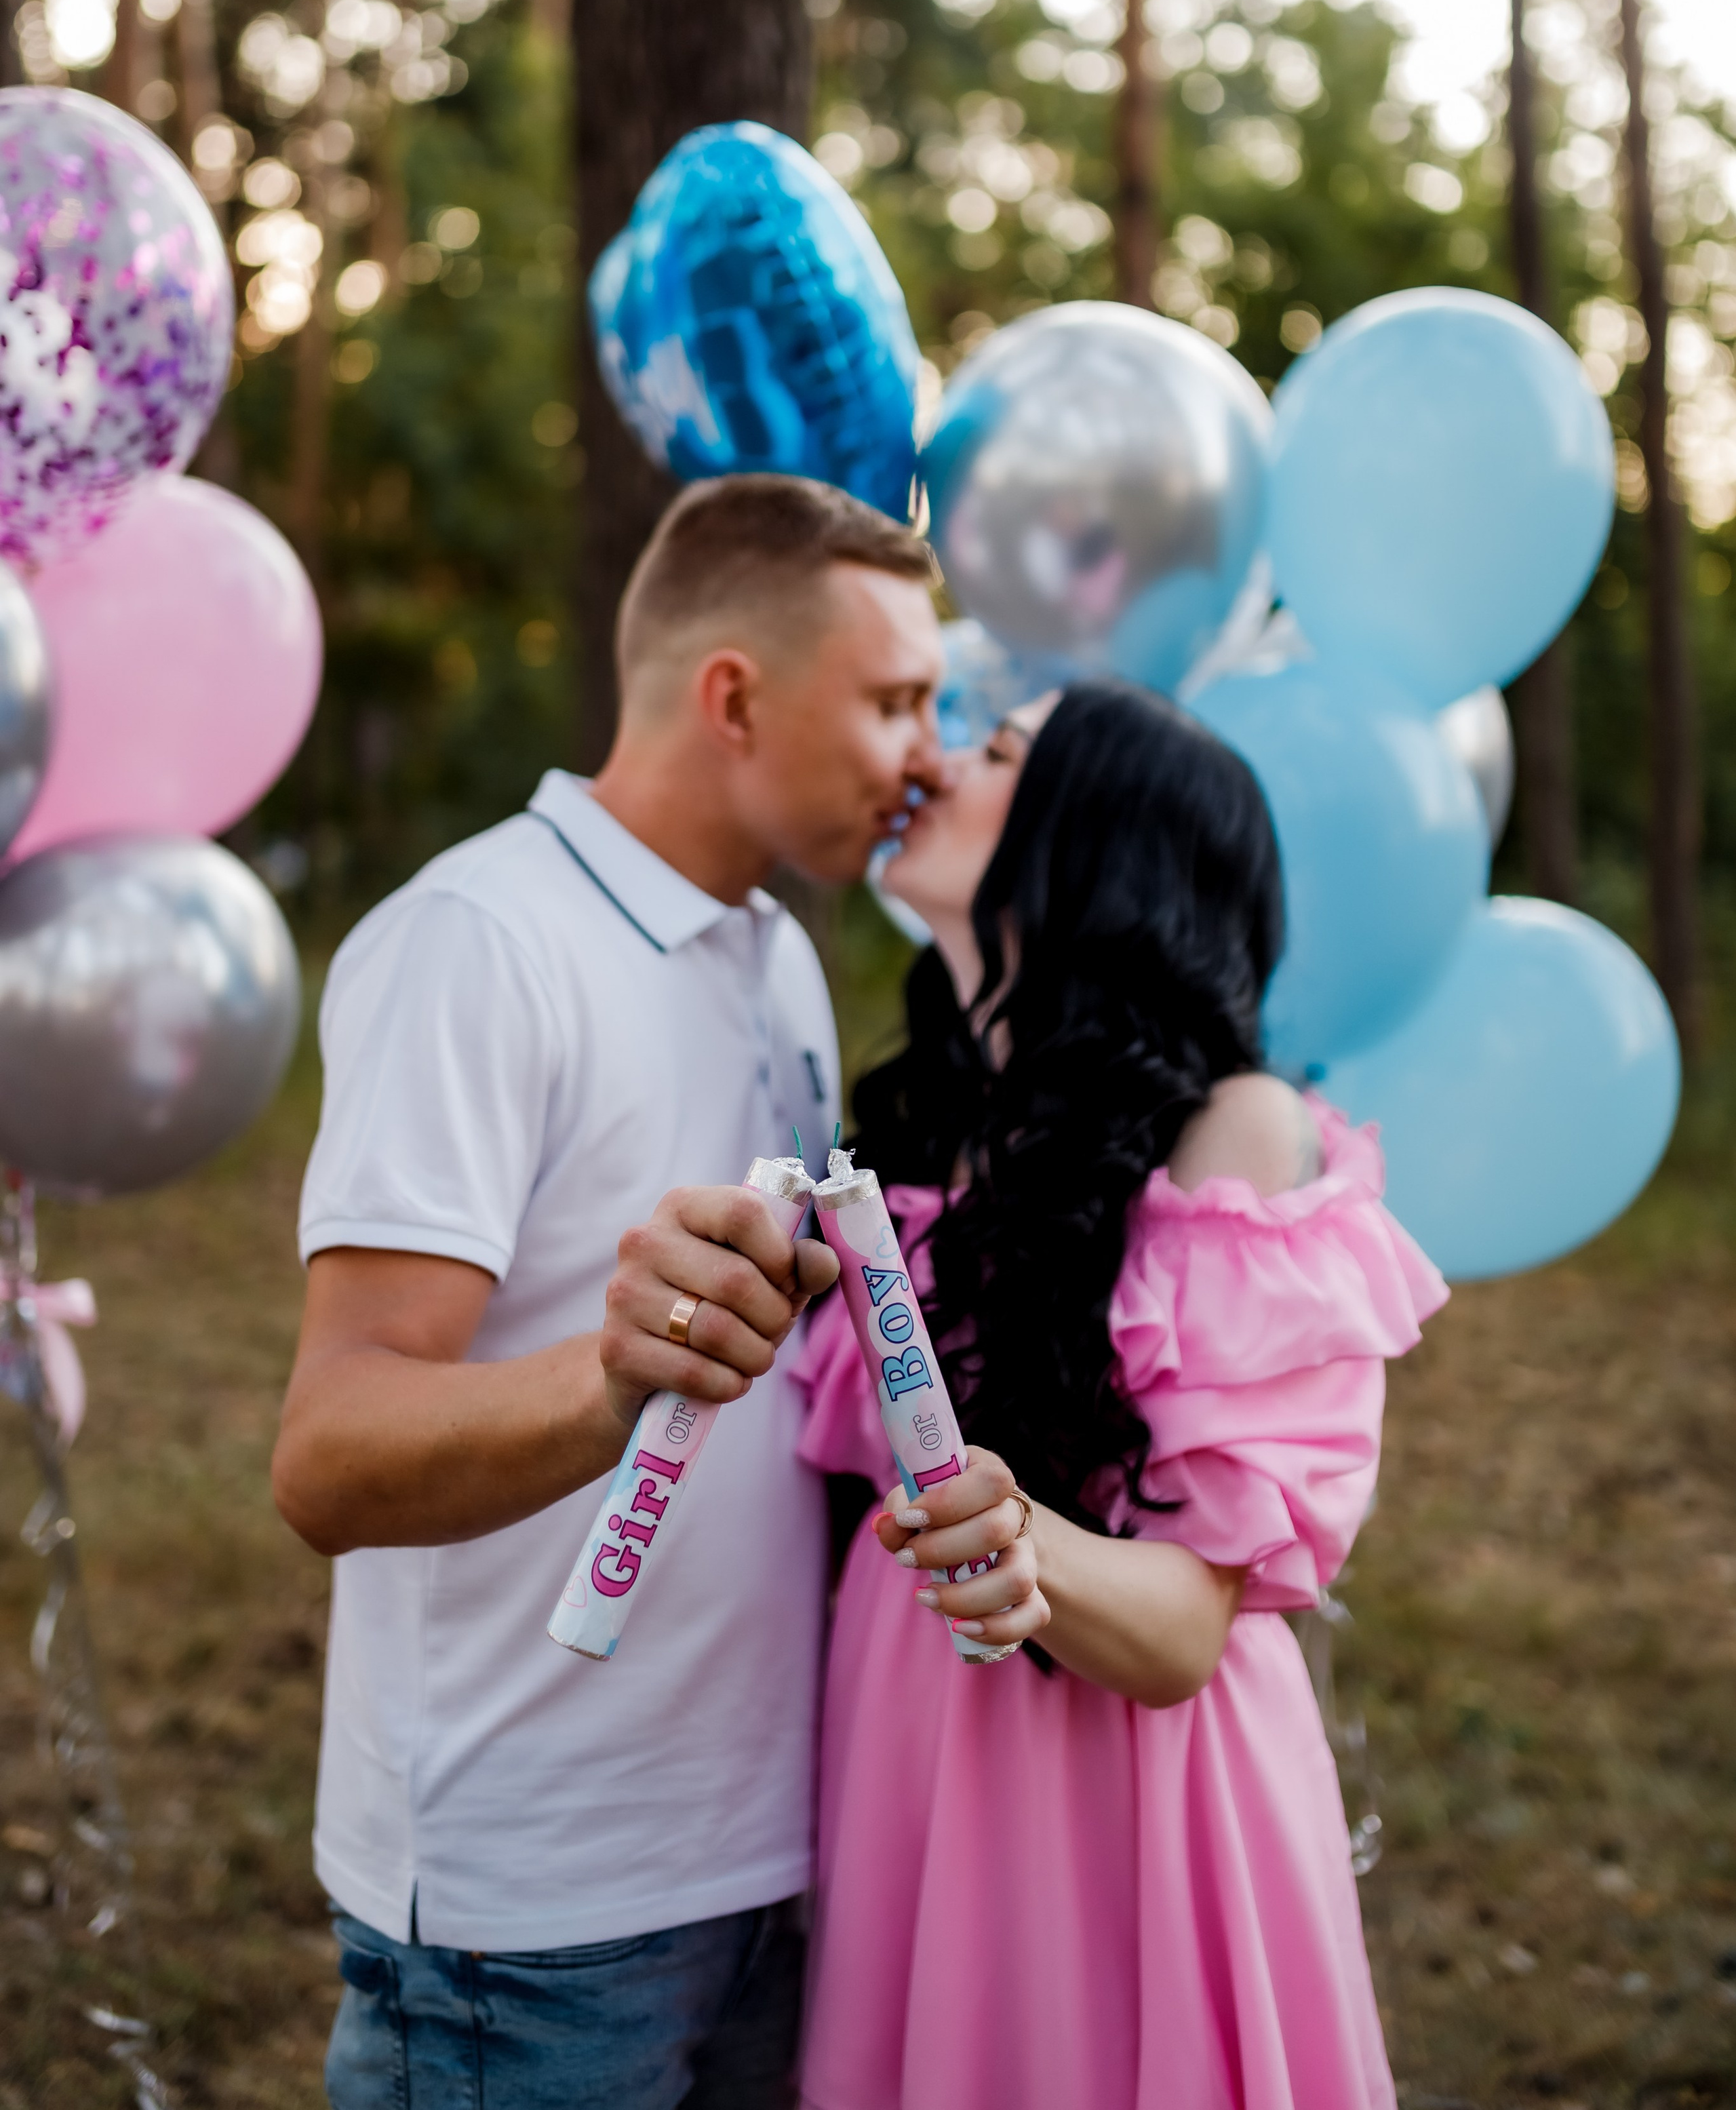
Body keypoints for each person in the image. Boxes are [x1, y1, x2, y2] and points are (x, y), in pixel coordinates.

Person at [271, 473, 947, 2110]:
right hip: (533, 1928)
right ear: (733, 697)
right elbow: (328, 1454)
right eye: (890, 702)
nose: (922, 755)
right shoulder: (476, 944)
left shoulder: (777, 953)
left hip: (757, 1863)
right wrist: (608, 1374)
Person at [792, 681, 1449, 2110]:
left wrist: (1024, 1540)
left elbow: (1179, 1634)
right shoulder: (921, 1142)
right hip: (915, 1742)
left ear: (1097, 844)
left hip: (1123, 1787)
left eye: (994, 752)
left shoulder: (1232, 1136)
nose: (935, 761)